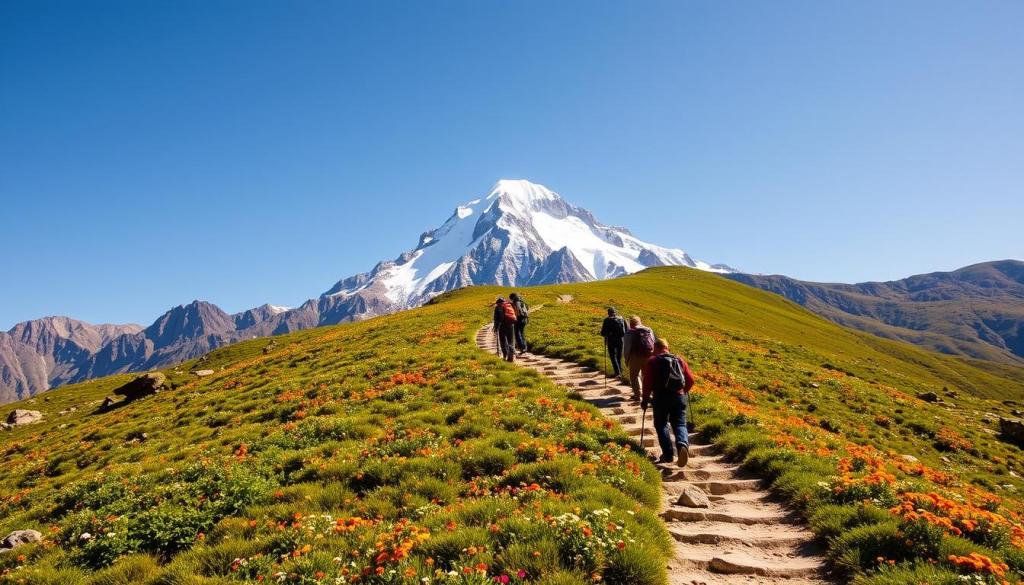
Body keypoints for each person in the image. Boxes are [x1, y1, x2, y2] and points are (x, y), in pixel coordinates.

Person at [641, 338, 696, 466]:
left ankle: (668, 454)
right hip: (678, 397)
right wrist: (683, 390)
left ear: (655, 348)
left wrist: (645, 399)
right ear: (667, 347)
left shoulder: (653, 361)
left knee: (661, 425)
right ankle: (682, 445)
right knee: (680, 424)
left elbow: (647, 382)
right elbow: (691, 380)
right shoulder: (679, 360)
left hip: (660, 397)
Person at [622, 316, 656, 401]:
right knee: (647, 376)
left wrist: (626, 359)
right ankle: (648, 395)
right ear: (640, 322)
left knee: (634, 376)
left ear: (631, 323)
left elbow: (627, 347)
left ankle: (637, 395)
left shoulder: (630, 332)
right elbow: (653, 342)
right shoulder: (648, 329)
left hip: (635, 356)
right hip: (648, 355)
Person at [600, 307, 627, 377]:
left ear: (608, 313)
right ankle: (620, 371)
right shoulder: (621, 318)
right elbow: (626, 329)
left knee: (613, 356)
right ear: (615, 312)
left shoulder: (607, 320)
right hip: (621, 339)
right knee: (619, 356)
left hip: (611, 340)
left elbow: (603, 333)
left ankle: (617, 373)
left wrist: (607, 334)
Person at [492, 297, 517, 362]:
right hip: (511, 325)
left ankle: (505, 355)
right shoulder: (509, 305)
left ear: (498, 303)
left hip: (502, 325)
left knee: (503, 341)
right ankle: (511, 356)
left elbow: (496, 319)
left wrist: (495, 328)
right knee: (510, 341)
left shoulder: (497, 307)